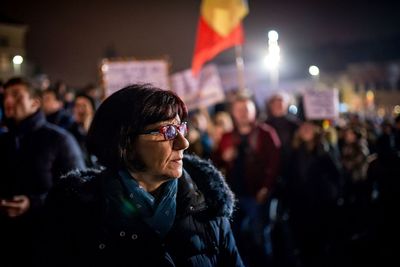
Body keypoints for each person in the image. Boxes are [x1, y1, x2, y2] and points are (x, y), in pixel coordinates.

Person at [39, 84, 244, 267]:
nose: (184, 143)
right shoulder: (77, 214)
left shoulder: (208, 203)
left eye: (181, 128)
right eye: (168, 131)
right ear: (125, 144)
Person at [0, 77, 85, 266]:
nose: (8, 101)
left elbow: (78, 191)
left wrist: (33, 203)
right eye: (5, 96)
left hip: (47, 242)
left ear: (35, 102)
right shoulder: (4, 141)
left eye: (16, 95)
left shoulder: (60, 140)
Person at [212, 91, 281, 267]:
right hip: (232, 195)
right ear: (233, 113)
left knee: (260, 237)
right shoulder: (227, 137)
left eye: (246, 109)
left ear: (253, 111)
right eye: (239, 109)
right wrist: (223, 157)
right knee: (234, 238)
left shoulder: (266, 133)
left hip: (256, 194)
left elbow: (274, 164)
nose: (242, 113)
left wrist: (266, 188)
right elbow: (214, 162)